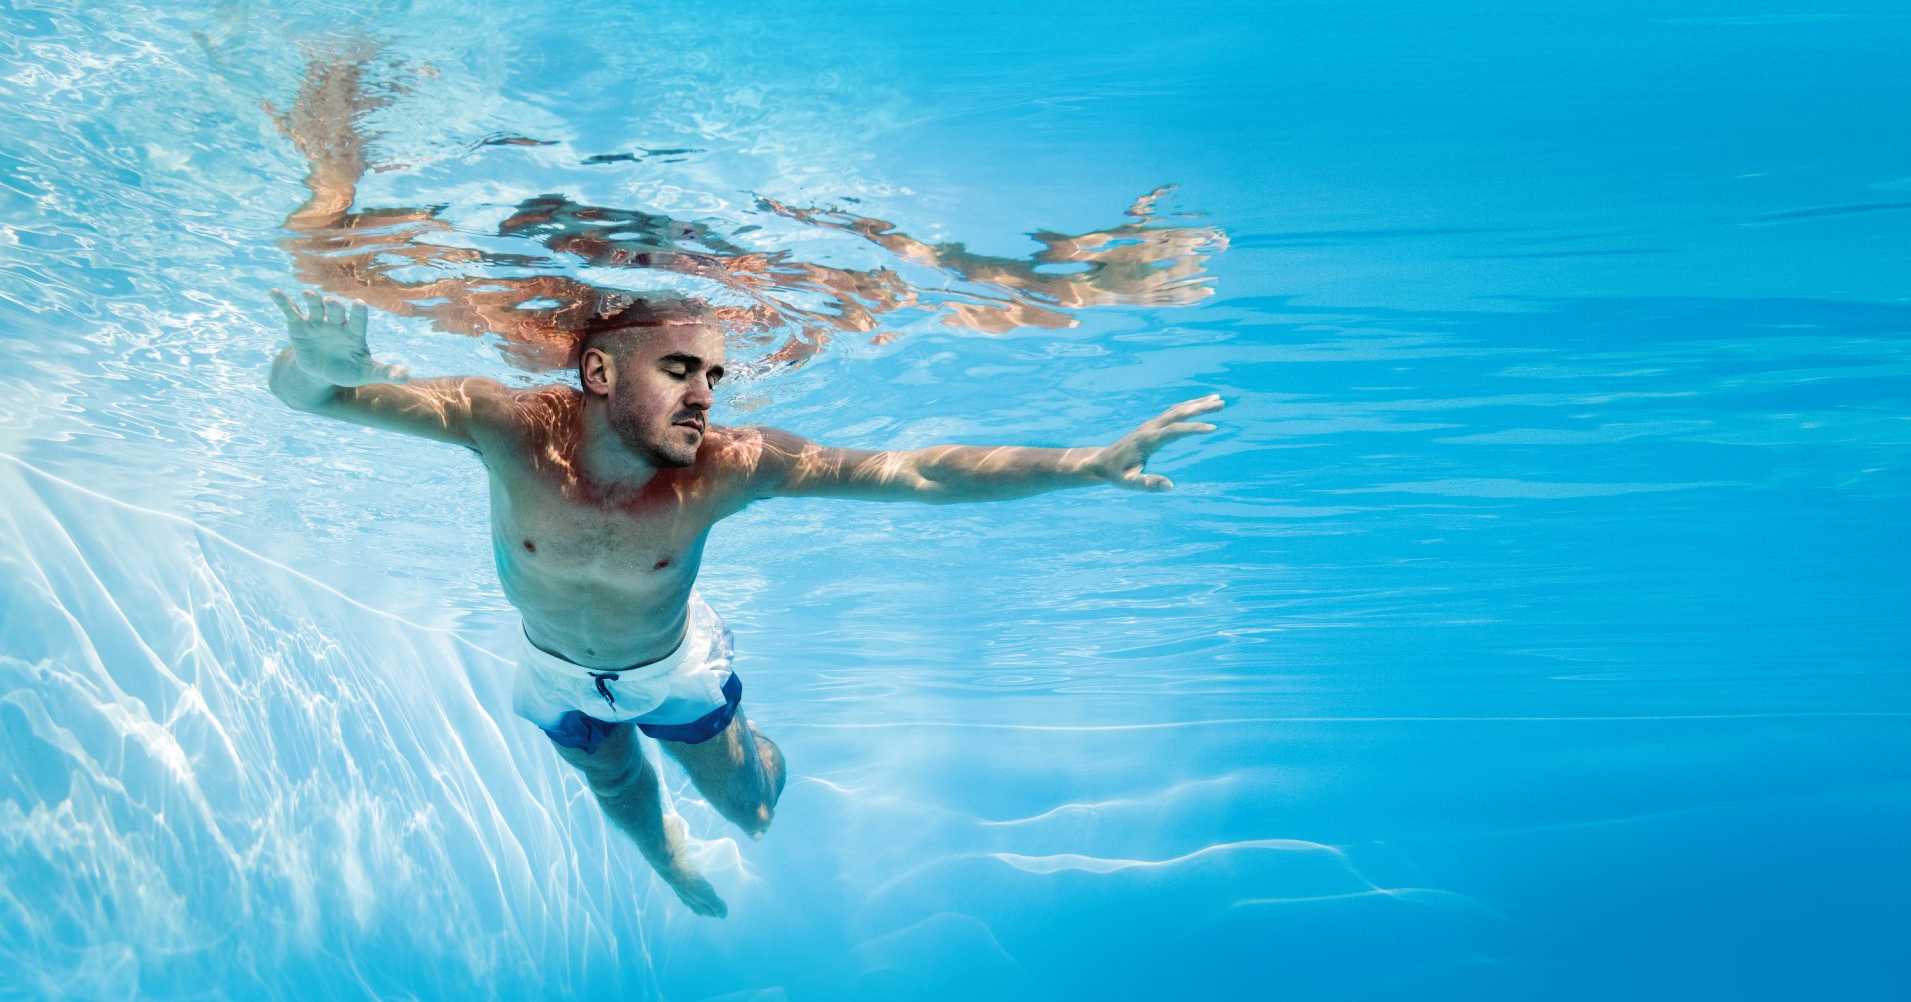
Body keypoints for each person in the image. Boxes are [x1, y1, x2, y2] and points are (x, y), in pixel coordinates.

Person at [266, 287, 1223, 916]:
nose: (707, 397)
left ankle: (741, 752)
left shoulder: (730, 469)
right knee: (614, 786)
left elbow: (919, 475)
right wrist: (313, 357)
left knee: (753, 810)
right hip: (553, 668)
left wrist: (1084, 466)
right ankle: (670, 861)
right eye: (682, 370)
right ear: (599, 372)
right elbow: (309, 397)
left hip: (674, 667)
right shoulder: (507, 427)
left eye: (715, 377)